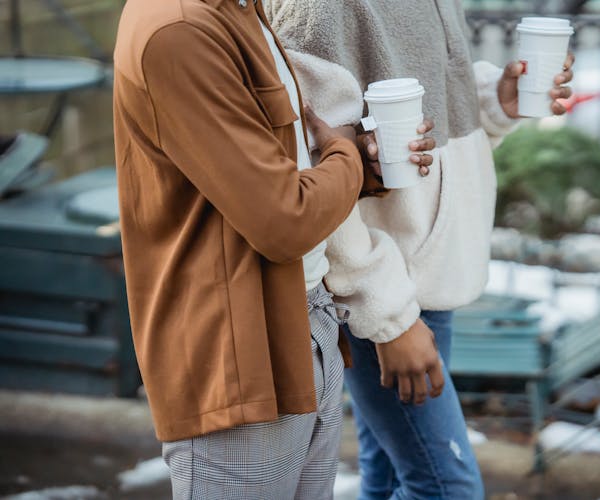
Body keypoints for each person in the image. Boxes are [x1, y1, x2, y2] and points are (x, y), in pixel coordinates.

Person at [266, 2, 575, 498]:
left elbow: (433, 111)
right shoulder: (321, 6)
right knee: (446, 486)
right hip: (381, 287)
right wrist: (387, 316)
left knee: (388, 477)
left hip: (425, 276)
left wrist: (496, 100)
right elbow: (312, 160)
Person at [112, 0, 393, 498]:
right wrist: (346, 158)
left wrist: (356, 163)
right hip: (238, 355)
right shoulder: (178, 30)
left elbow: (278, 172)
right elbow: (283, 220)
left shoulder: (241, 8)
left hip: (306, 317)